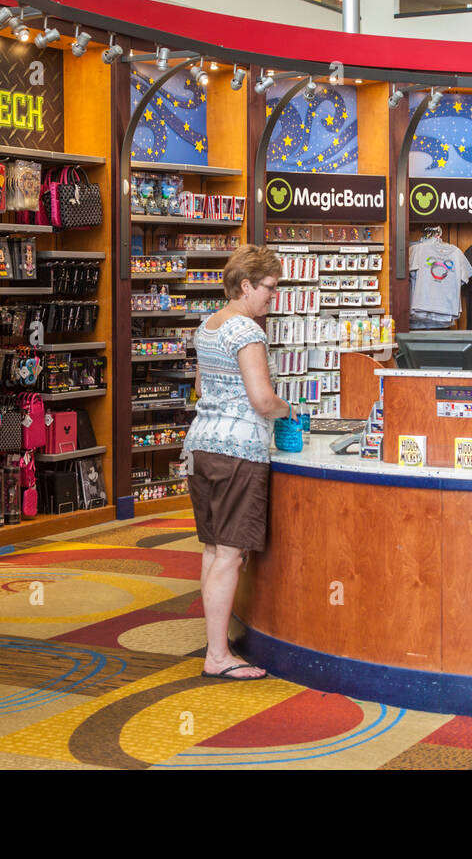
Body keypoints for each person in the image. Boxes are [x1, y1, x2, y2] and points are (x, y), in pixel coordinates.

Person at [183, 245, 292, 681]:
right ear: (246, 285)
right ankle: (218, 655)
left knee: (213, 548)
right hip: (237, 451)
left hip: (201, 446)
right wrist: (290, 411)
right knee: (229, 554)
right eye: (269, 288)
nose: (273, 297)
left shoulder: (207, 326)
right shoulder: (246, 331)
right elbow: (262, 400)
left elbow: (199, 385)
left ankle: (215, 644)